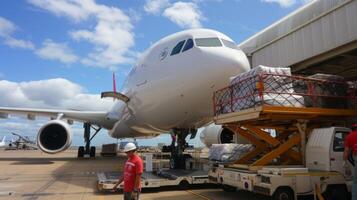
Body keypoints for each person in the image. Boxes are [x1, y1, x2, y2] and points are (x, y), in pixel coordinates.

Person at [344, 124, 357, 200]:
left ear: (352, 129)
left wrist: (344, 161)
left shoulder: (349, 136)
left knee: (355, 182)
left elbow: (346, 151)